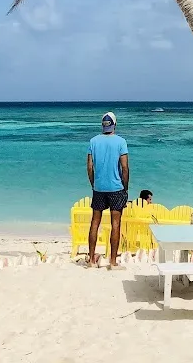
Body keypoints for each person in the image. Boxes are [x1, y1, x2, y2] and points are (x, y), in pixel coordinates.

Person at [87, 111, 129, 269]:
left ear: (102, 125)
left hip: (99, 188)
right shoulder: (121, 142)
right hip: (116, 188)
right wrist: (125, 187)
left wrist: (94, 183)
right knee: (115, 224)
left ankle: (91, 260)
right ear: (115, 125)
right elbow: (125, 168)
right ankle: (112, 262)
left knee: (95, 222)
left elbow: (89, 167)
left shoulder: (93, 141)